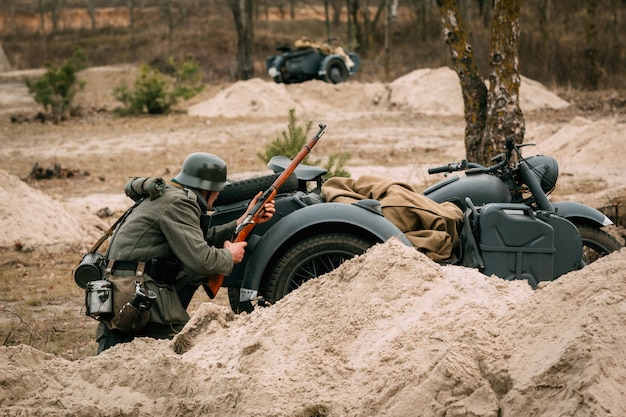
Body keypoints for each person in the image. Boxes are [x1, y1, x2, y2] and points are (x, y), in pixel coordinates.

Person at [95, 152, 275, 353]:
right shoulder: (180, 203)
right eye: (217, 191)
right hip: (136, 291)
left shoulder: (172, 196)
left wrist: (244, 221)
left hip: (127, 286)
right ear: (206, 189)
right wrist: (229, 256)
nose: (217, 197)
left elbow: (195, 240)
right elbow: (202, 259)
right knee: (185, 349)